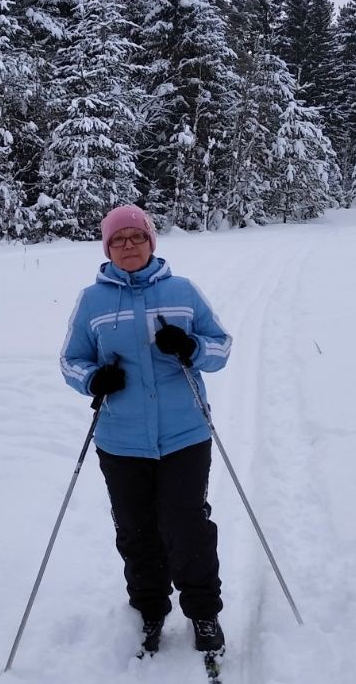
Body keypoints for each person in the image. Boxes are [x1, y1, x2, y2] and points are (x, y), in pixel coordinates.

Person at [59, 204, 232, 655]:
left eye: (136, 237)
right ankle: (150, 608)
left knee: (187, 524)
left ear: (151, 242)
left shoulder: (183, 291)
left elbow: (221, 347)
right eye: (118, 240)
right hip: (120, 439)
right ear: (107, 248)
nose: (128, 245)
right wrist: (95, 379)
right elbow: (70, 361)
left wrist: (191, 347)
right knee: (136, 529)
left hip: (184, 433)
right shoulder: (92, 301)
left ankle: (203, 612)